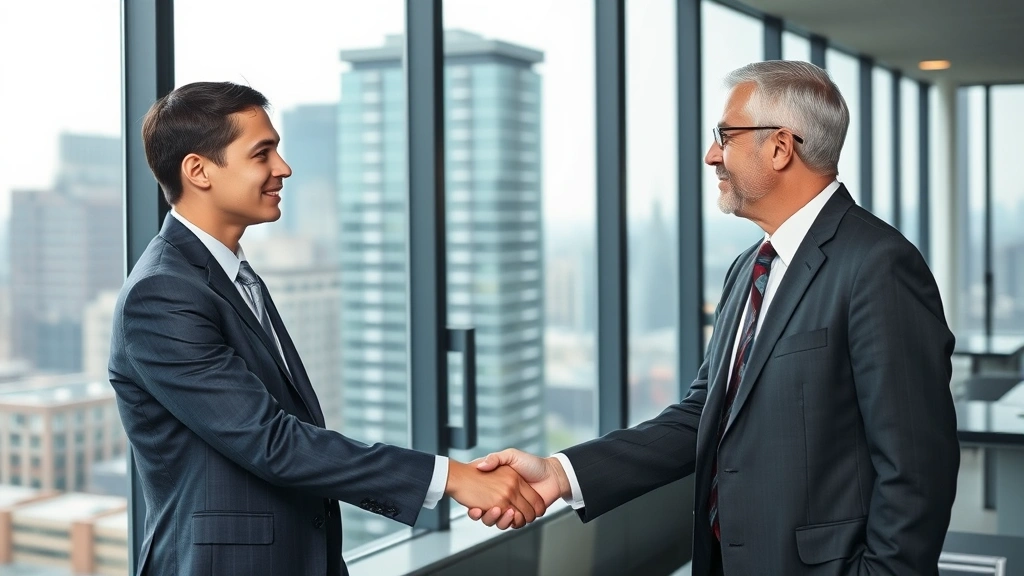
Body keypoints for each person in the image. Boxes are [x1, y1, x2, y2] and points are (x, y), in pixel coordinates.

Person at [471, 60, 960, 575]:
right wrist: (560, 472)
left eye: (725, 136)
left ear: (780, 147)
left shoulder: (878, 265)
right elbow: (703, 415)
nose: (711, 155)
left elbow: (917, 471)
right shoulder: (750, 267)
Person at [108, 81, 543, 576]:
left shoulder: (231, 277)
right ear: (198, 170)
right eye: (262, 153)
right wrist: (451, 477)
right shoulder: (162, 294)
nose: (283, 168)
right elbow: (272, 442)